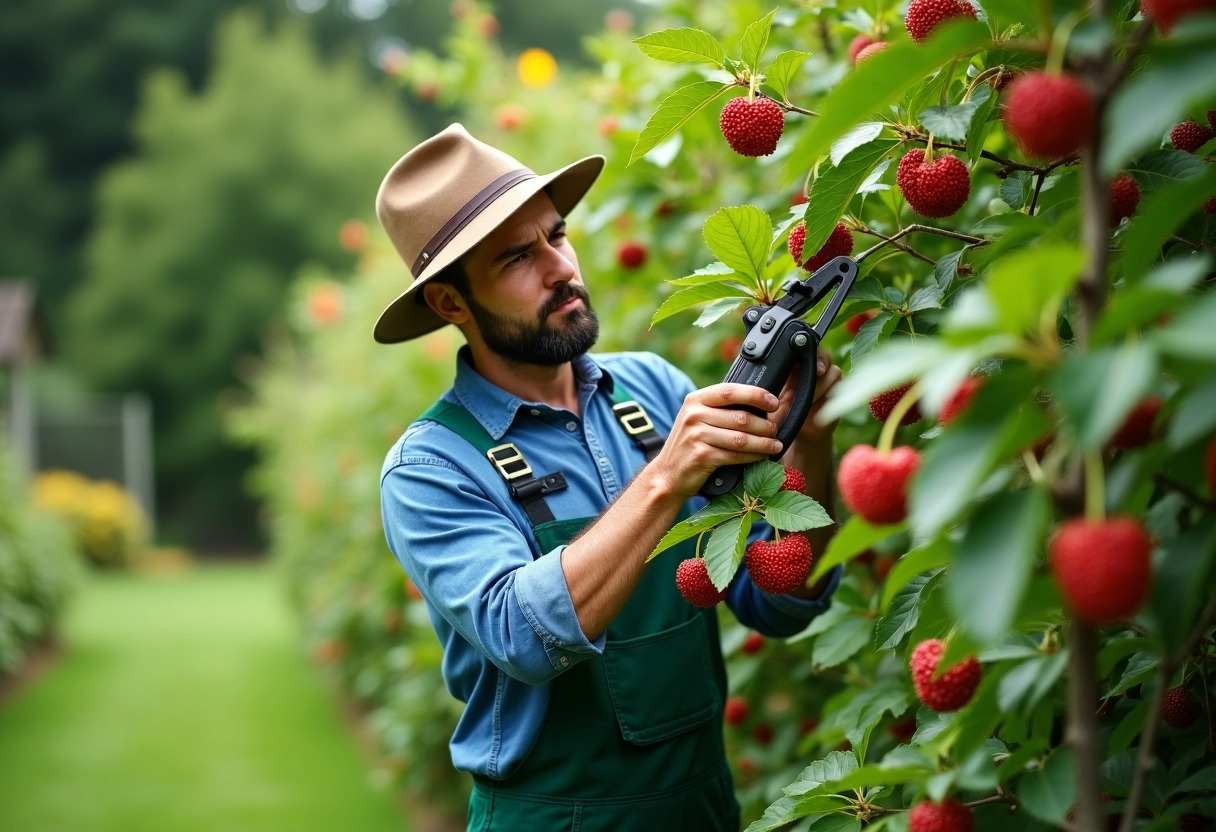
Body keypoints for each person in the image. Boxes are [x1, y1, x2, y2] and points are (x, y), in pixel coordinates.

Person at [375, 123, 844, 832]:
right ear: (450, 303)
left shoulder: (655, 390)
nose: (560, 268)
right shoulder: (433, 467)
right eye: (517, 258)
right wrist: (667, 477)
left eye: (557, 236)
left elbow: (777, 603)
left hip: (702, 807)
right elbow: (523, 635)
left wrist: (811, 446)